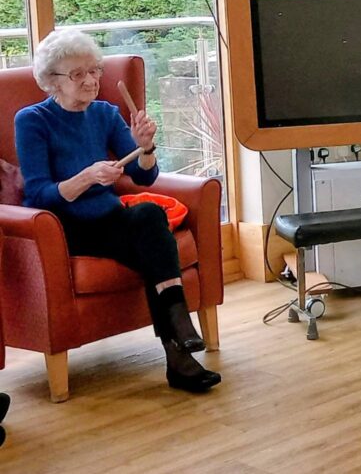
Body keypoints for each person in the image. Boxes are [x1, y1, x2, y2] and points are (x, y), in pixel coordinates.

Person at [14, 29, 221, 393]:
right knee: (153, 248)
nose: (92, 80)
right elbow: (39, 194)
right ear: (52, 81)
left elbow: (145, 177)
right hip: (63, 228)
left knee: (150, 217)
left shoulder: (106, 114)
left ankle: (178, 337)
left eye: (94, 70)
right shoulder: (31, 120)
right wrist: (86, 177)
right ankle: (180, 346)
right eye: (77, 74)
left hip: (107, 220)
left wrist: (145, 147)